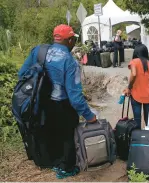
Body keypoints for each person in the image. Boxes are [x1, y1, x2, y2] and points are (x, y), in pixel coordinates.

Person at [18, 24, 97, 179]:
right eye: (73, 39)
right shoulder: (70, 62)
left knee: (48, 129)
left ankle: (51, 160)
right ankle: (66, 168)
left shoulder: (38, 51)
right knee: (67, 133)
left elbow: (22, 74)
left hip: (41, 102)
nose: (74, 42)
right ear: (68, 41)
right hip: (62, 104)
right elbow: (75, 98)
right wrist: (89, 116)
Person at [123, 44, 149, 130]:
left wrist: (129, 88)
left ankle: (138, 138)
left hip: (136, 95)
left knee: (137, 119)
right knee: (148, 119)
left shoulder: (134, 61)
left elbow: (134, 74)